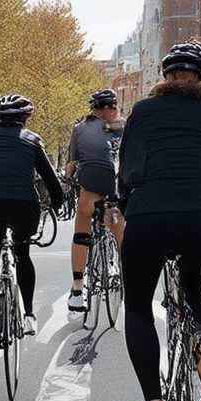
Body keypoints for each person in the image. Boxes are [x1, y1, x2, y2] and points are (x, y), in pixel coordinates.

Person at [115, 42, 201, 401]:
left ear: (166, 77)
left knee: (138, 306)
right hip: (198, 217)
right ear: (200, 76)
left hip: (149, 215)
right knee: (193, 288)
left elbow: (128, 166)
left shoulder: (142, 110)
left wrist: (126, 204)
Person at [0, 93, 66, 346]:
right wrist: (57, 204)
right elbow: (52, 182)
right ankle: (29, 316)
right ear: (26, 118)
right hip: (23, 205)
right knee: (23, 254)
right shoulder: (32, 141)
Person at [67, 87, 127, 309]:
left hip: (91, 185)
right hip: (116, 187)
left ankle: (77, 288)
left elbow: (72, 165)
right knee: (118, 228)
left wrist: (67, 180)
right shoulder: (124, 127)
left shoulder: (80, 128)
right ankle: (129, 280)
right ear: (113, 108)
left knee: (82, 226)